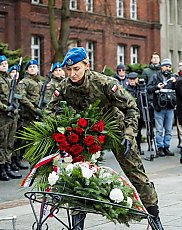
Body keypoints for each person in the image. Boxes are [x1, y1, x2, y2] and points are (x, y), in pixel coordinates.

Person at [47, 47, 164, 229]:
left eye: (76, 69)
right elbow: (48, 111)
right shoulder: (64, 87)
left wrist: (129, 134)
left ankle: (154, 215)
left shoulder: (104, 83)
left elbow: (131, 108)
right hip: (86, 134)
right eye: (68, 70)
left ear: (87, 65)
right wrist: (59, 131)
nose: (72, 74)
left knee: (135, 172)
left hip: (115, 129)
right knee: (77, 174)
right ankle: (77, 222)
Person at [0, 55, 22, 180]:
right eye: (2, 64)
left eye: (6, 64)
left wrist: (14, 109)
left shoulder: (9, 80)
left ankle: (8, 167)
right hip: (2, 116)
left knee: (10, 143)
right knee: (1, 143)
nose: (5, 66)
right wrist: (4, 108)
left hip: (12, 116)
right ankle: (2, 169)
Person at [147, 58, 176, 157]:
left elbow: (179, 90)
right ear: (162, 67)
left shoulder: (173, 77)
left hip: (170, 107)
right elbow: (148, 89)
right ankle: (160, 148)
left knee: (168, 129)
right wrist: (157, 87)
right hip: (159, 107)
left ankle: (166, 147)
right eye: (166, 66)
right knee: (159, 129)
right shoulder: (156, 77)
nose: (168, 68)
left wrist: (176, 82)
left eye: (169, 66)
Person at [125, 72, 144, 154]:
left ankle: (138, 148)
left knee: (139, 132)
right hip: (130, 115)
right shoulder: (125, 90)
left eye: (134, 79)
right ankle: (131, 149)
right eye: (130, 79)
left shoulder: (140, 89)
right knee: (131, 132)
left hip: (140, 113)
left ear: (137, 80)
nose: (132, 81)